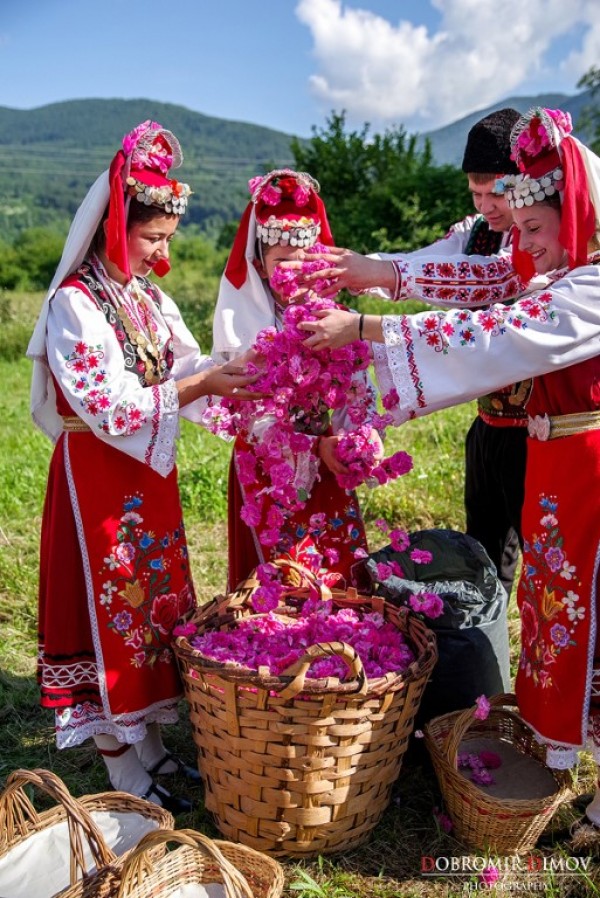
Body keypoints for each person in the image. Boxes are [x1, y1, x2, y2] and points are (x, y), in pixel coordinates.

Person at [300, 107, 600, 837]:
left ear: (576, 215)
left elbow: (494, 328)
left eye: (533, 228)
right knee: (556, 610)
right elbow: (482, 276)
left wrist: (366, 325)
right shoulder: (553, 271)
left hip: (587, 469)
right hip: (558, 469)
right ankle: (560, 738)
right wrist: (379, 275)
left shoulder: (589, 288)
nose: (521, 245)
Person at [27, 120, 259, 814]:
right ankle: (119, 761)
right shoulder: (75, 304)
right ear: (113, 228)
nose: (163, 252)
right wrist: (203, 384)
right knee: (106, 605)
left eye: (167, 237)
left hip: (146, 476)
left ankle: (149, 742)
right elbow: (110, 404)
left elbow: (185, 365)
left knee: (151, 606)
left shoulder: (148, 299)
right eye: (153, 237)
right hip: (97, 477)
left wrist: (237, 372)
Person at [291, 109, 541, 599]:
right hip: (490, 419)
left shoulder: (540, 236)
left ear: (524, 183)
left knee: (545, 554)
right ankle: (488, 632)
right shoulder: (478, 230)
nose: (486, 205)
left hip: (540, 426)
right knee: (485, 549)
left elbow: (488, 278)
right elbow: (430, 261)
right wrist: (356, 269)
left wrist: (383, 276)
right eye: (476, 192)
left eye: (496, 193)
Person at [212, 169, 380, 591]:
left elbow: (356, 387)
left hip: (329, 460)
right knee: (281, 581)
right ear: (260, 266)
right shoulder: (245, 326)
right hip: (267, 466)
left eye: (305, 261)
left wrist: (356, 438)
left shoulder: (335, 318)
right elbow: (249, 413)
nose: (295, 272)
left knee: (337, 575)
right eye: (282, 262)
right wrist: (313, 446)